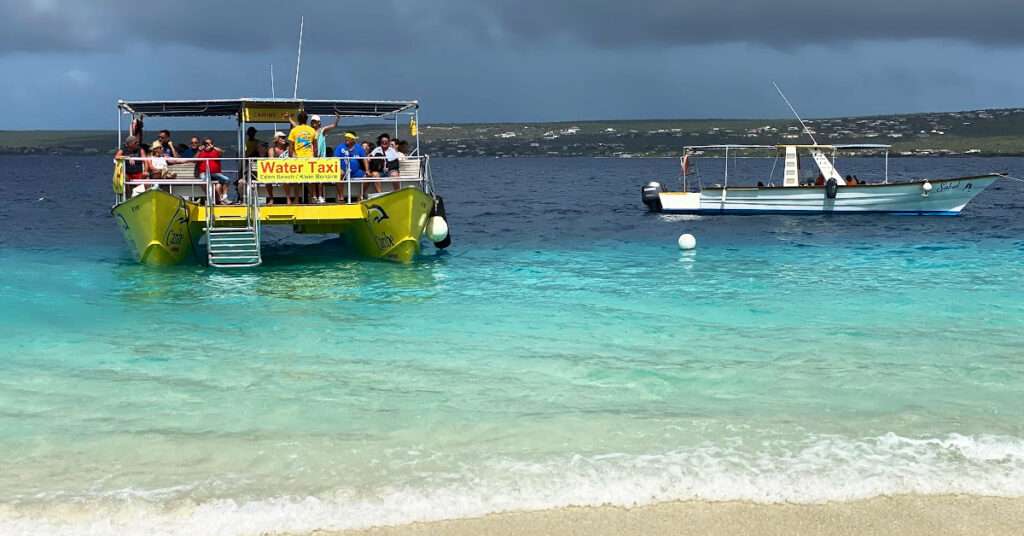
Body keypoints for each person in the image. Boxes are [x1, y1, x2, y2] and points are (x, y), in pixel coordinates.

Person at [286, 112, 317, 203]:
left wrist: (290, 157)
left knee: (297, 180)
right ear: (307, 119)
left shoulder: (294, 130)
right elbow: (315, 146)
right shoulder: (311, 130)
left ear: (298, 120)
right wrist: (315, 156)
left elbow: (291, 146)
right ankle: (312, 198)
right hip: (309, 158)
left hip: (298, 158)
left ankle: (296, 199)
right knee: (310, 180)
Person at [196, 137, 234, 205]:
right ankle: (212, 199)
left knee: (226, 180)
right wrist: (199, 150)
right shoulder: (201, 152)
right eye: (206, 144)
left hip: (215, 173)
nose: (208, 145)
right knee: (205, 182)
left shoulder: (216, 151)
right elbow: (194, 159)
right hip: (204, 172)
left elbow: (222, 152)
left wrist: (213, 147)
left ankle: (224, 197)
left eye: (209, 143)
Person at [334, 131, 368, 200]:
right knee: (339, 174)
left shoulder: (358, 147)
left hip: (356, 172)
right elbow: (335, 159)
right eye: (346, 138)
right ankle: (341, 196)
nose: (346, 139)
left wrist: (367, 170)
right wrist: (338, 168)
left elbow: (364, 159)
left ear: (353, 139)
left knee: (368, 177)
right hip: (344, 171)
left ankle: (360, 195)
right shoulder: (340, 147)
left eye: (348, 138)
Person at [269, 131, 293, 204]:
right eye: (281, 137)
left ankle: (288, 199)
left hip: (288, 170)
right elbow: (271, 161)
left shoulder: (288, 147)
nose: (284, 139)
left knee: (286, 179)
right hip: (276, 171)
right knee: (266, 180)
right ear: (277, 139)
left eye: (284, 137)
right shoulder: (272, 149)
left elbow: (293, 157)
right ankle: (271, 198)